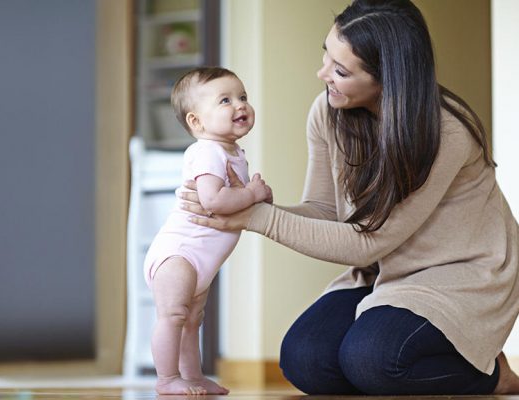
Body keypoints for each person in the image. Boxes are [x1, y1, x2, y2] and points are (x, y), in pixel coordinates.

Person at [179, 0, 519, 395]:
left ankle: (492, 374)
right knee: (304, 361)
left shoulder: (445, 131)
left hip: (460, 274)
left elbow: (368, 241)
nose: (322, 74)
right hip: (384, 271)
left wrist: (255, 217)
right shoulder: (328, 111)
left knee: (373, 361)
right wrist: (250, 207)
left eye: (341, 71)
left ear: (388, 79)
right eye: (326, 54)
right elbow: (324, 210)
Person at [144, 67, 272, 395]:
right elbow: (213, 200)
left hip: (199, 260)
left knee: (191, 322)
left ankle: (193, 377)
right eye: (225, 100)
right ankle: (167, 378)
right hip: (180, 254)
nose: (240, 105)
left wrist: (255, 199)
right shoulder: (207, 151)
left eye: (243, 97)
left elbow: (238, 206)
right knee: (173, 315)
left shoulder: (233, 152)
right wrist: (253, 194)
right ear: (196, 122)